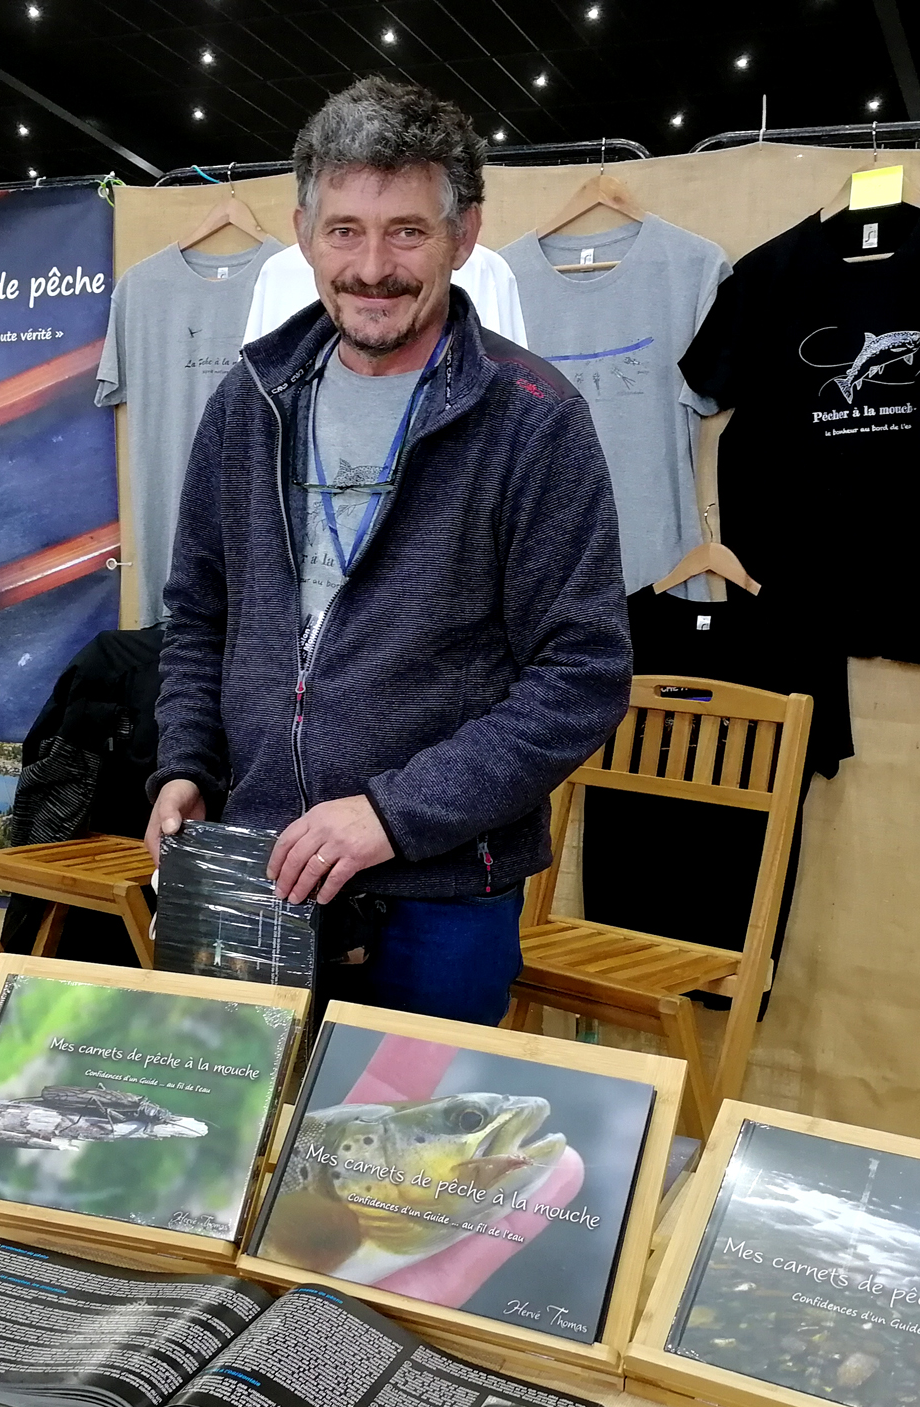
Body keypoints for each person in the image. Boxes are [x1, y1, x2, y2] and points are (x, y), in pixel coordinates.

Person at [145, 78, 632, 1026]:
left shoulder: (534, 422)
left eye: (407, 231)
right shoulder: (248, 402)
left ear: (464, 234)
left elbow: (581, 676)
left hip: (440, 901)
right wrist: (184, 768)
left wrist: (390, 815)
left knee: (409, 1127)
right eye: (345, 231)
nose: (373, 268)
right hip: (255, 869)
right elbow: (199, 614)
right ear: (303, 233)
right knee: (233, 1114)